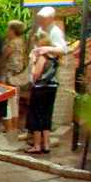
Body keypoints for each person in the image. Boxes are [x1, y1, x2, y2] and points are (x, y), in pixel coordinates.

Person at [25, 8, 70, 153]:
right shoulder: (42, 30)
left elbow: (36, 73)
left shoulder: (54, 33)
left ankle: (38, 145)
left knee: (37, 115)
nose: (40, 21)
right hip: (52, 84)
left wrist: (34, 59)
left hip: (41, 85)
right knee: (46, 115)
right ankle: (46, 144)